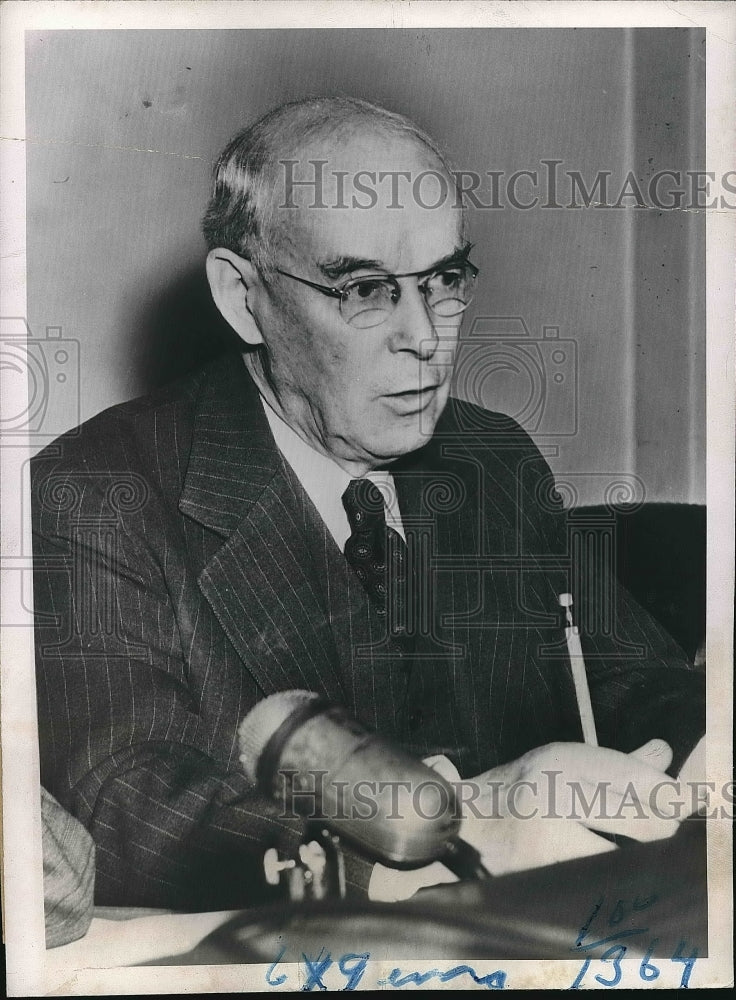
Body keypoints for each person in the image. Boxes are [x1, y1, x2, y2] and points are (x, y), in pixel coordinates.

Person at [32, 96, 705, 913]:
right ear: (244, 297)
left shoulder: (490, 457)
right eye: (367, 290)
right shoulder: (101, 490)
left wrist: (705, 745)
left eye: (444, 279)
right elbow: (126, 796)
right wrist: (455, 834)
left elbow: (634, 677)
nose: (426, 335)